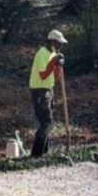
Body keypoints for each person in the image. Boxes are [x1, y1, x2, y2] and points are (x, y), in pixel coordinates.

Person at [29, 28, 67, 158]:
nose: (60, 46)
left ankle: (43, 152)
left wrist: (59, 65)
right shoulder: (42, 53)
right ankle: (36, 154)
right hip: (39, 91)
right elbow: (43, 75)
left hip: (48, 90)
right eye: (58, 43)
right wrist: (53, 62)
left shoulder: (52, 54)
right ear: (52, 42)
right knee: (46, 122)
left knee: (47, 123)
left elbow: (55, 78)